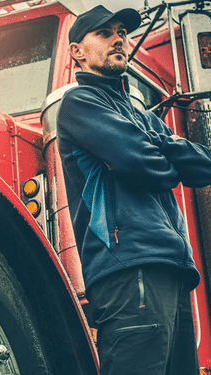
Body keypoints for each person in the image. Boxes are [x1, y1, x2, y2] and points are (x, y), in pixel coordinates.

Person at [56, 5, 211, 375]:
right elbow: (145, 164)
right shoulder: (80, 103)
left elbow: (203, 165)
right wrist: (164, 151)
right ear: (77, 51)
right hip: (129, 266)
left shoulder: (140, 115)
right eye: (104, 33)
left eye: (122, 32)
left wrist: (155, 150)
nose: (118, 39)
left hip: (172, 267)